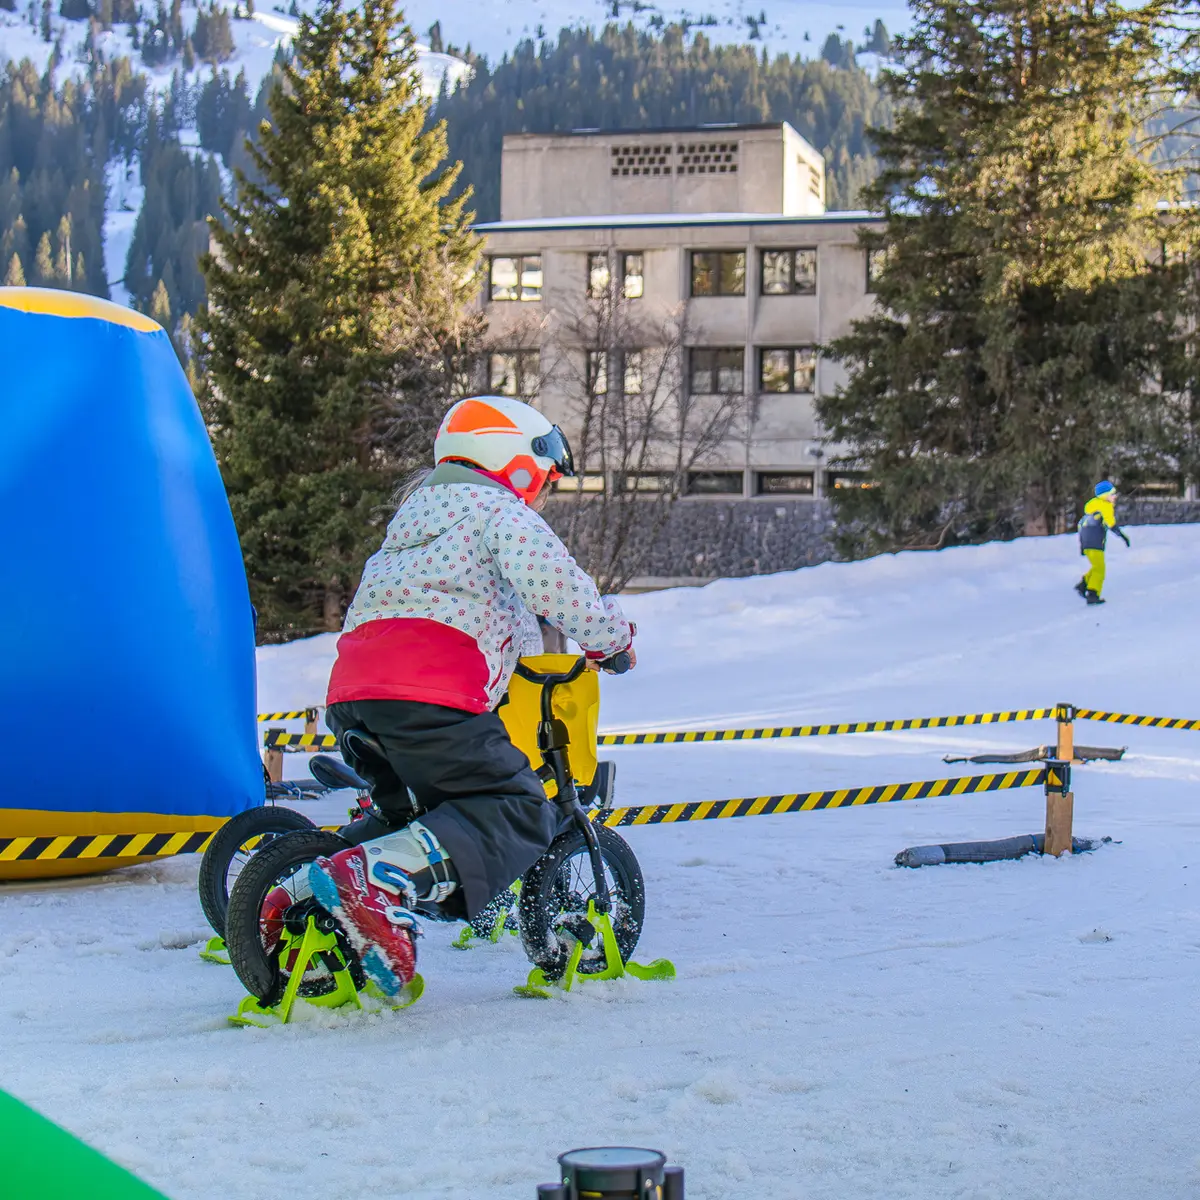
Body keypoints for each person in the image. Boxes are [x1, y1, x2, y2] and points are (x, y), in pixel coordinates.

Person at [306, 395, 636, 996]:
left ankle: (301, 887)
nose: (541, 488)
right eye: (543, 471)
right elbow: (559, 585)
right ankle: (375, 879)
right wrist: (610, 640)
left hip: (355, 695)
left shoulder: (412, 519)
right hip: (430, 695)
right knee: (515, 806)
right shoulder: (496, 510)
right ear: (514, 455)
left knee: (407, 815)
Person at [1074, 480, 1130, 606]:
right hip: (1095, 542)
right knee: (1100, 569)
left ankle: (1083, 585)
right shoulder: (1105, 506)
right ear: (1104, 496)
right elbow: (1111, 524)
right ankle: (1093, 594)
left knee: (1096, 566)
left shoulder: (1091, 507)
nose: (1115, 496)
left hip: (1086, 542)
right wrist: (1122, 536)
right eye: (1112, 494)